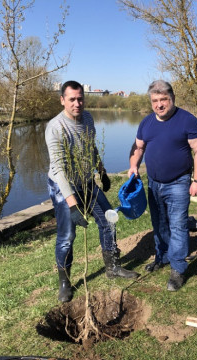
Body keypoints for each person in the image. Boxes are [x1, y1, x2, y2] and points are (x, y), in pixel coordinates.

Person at [45, 80, 139, 303]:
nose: (77, 103)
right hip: (62, 186)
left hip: (86, 182)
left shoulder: (87, 118)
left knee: (109, 220)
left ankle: (112, 267)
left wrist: (101, 171)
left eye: (80, 99)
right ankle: (65, 282)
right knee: (68, 237)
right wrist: (72, 204)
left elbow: (91, 147)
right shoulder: (55, 127)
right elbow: (58, 169)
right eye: (72, 99)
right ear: (62, 100)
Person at [128, 80, 197, 291]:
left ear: (172, 99)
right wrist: (133, 166)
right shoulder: (146, 123)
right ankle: (162, 257)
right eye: (155, 100)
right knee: (159, 223)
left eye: (164, 99)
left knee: (178, 225)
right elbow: (138, 147)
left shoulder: (187, 120)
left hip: (179, 182)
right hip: (153, 183)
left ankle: (178, 269)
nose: (159, 104)